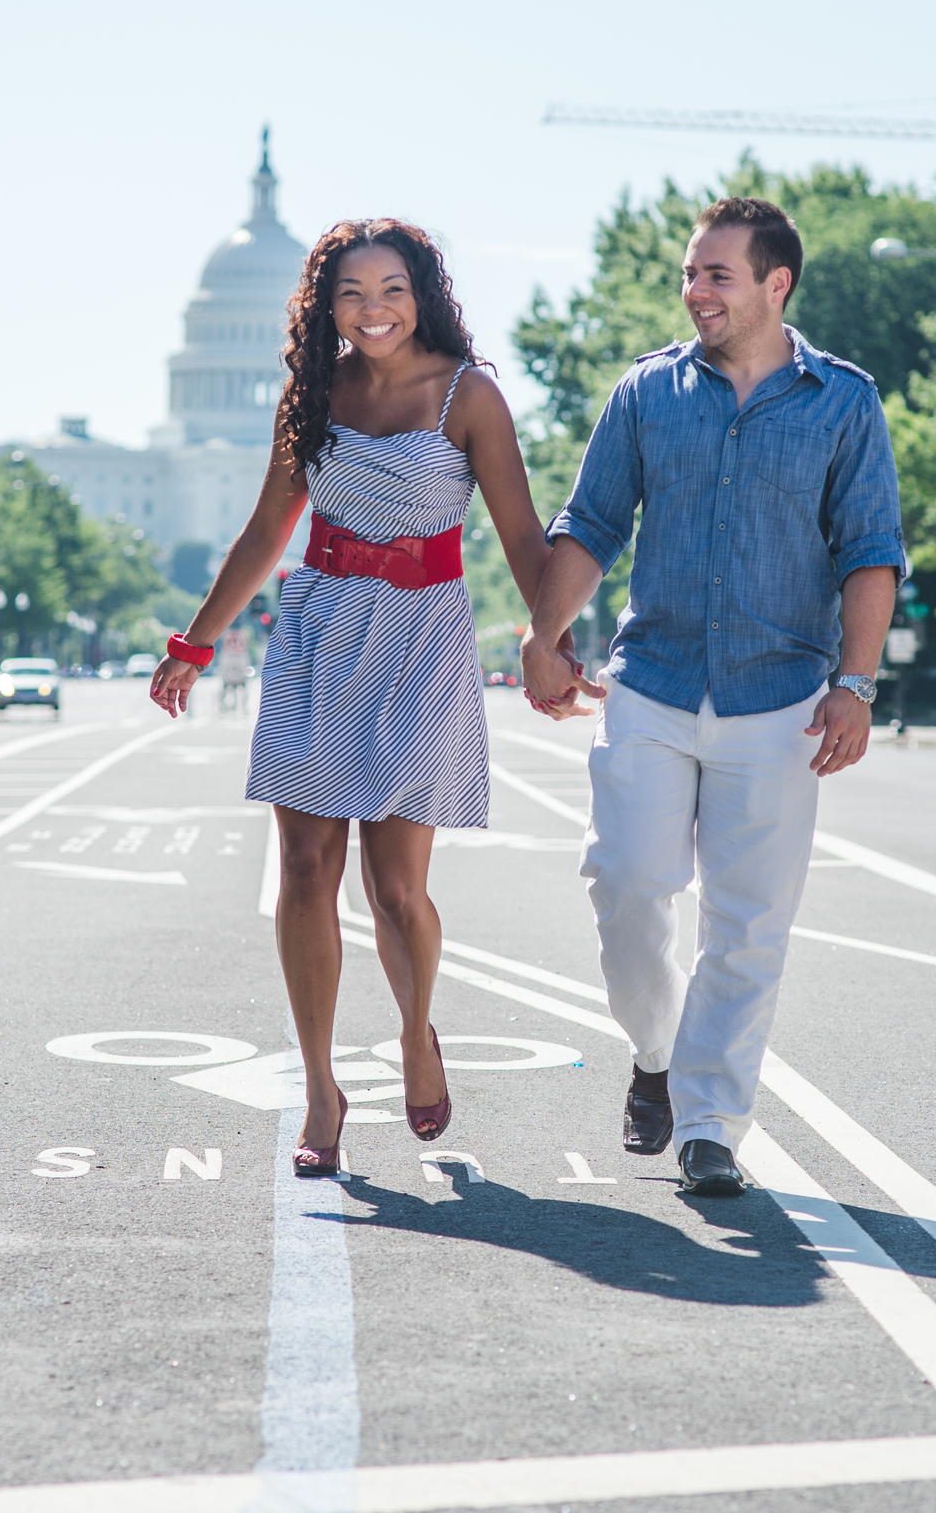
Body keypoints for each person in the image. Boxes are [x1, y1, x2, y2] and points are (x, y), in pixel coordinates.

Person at [151, 219, 573, 1177]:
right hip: (319, 631)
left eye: (389, 288)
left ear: (420, 291)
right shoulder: (315, 395)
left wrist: (549, 646)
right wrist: (195, 642)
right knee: (304, 870)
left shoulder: (470, 396)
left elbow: (520, 535)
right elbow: (268, 529)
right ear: (324, 306)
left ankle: (417, 1033)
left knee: (396, 891)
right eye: (350, 293)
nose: (371, 309)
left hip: (423, 640)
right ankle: (319, 1087)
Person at [522, 196, 904, 1198]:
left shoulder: (843, 403)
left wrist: (854, 684)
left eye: (716, 275)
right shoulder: (648, 393)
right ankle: (654, 1052)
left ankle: (708, 1126)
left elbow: (870, 553)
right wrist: (542, 637)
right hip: (651, 684)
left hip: (780, 701)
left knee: (747, 926)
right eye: (690, 273)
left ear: (776, 285)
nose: (695, 290)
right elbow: (592, 523)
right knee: (626, 885)